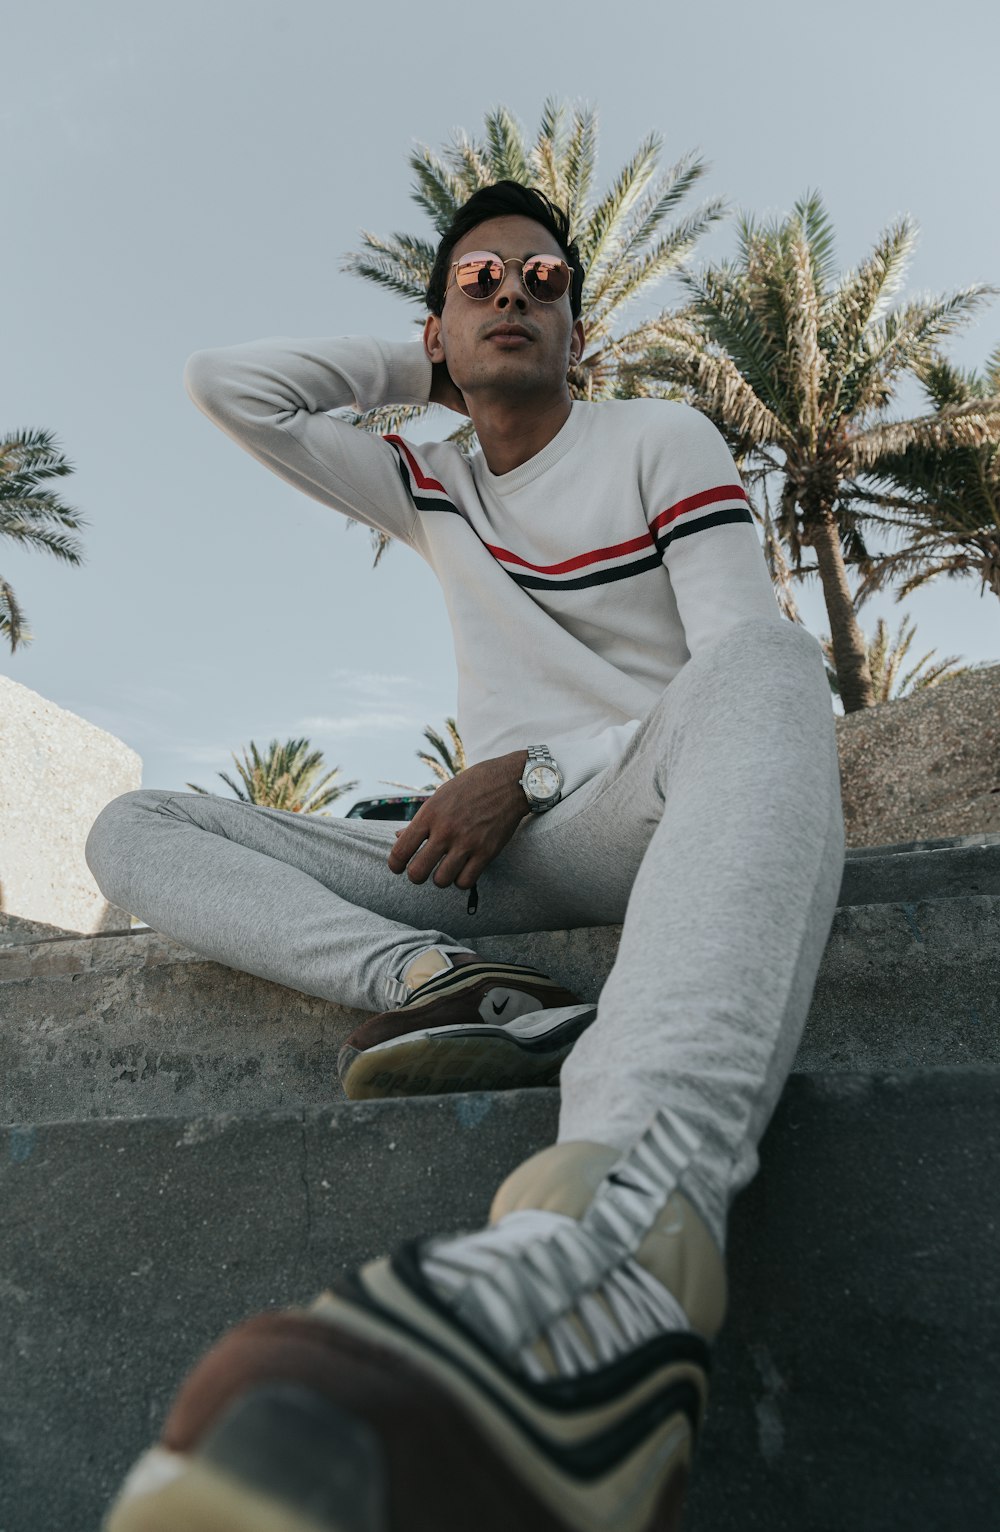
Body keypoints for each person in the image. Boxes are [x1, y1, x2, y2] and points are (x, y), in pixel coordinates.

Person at [90, 180, 844, 1531]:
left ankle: (621, 1248)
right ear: (435, 327)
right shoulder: (427, 474)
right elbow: (232, 387)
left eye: (543, 281)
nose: (512, 295)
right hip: (474, 869)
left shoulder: (656, 438)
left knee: (774, 665)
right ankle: (449, 984)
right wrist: (420, 362)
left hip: (638, 807)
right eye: (479, 280)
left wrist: (536, 772)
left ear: (581, 327)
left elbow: (735, 659)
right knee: (137, 827)